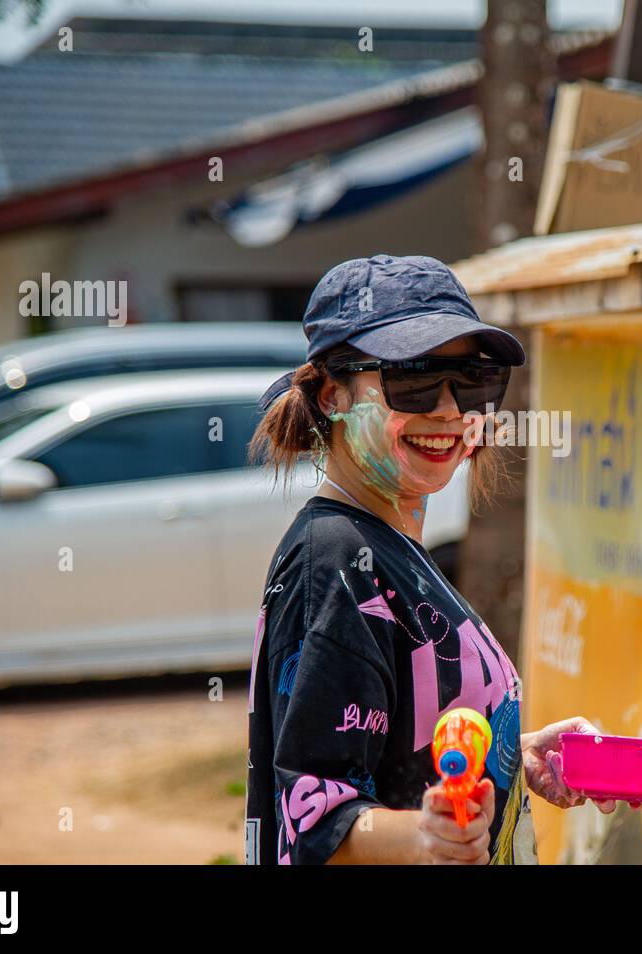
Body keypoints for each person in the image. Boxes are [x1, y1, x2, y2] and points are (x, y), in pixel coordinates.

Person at [244, 254, 615, 865]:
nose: (449, 409)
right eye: (413, 379)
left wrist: (511, 757)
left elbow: (395, 753)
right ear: (334, 394)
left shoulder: (387, 547)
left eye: (473, 379)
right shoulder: (339, 562)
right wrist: (426, 835)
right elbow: (316, 820)